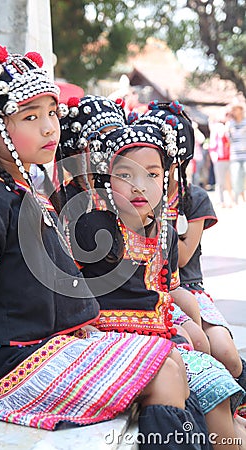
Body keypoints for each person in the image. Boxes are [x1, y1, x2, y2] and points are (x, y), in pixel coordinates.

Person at [0, 45, 208, 448]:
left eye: (52, 113)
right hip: (15, 363)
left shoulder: (31, 194)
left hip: (49, 348)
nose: (50, 127)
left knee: (172, 357)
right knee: (164, 370)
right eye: (31, 117)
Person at [66, 115, 245, 448]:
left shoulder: (163, 232)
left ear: (166, 178)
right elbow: (70, 291)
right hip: (115, 339)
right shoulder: (90, 226)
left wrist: (185, 326)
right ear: (105, 178)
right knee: (208, 394)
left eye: (152, 174)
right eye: (125, 175)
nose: (139, 186)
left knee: (218, 389)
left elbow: (166, 291)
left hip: (161, 335)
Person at [141, 101, 246, 410]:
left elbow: (183, 257)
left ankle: (234, 407)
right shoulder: (133, 195)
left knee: (226, 353)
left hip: (188, 286)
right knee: (198, 345)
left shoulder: (193, 198)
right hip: (154, 289)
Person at [209, 110, 233, 207]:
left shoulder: (228, 127)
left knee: (229, 181)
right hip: (219, 158)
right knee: (220, 181)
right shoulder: (218, 128)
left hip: (229, 157)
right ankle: (221, 200)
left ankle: (230, 200)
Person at [227, 103, 246, 205]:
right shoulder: (230, 124)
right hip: (234, 155)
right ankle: (237, 199)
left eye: (236, 109)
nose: (234, 111)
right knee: (236, 176)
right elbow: (229, 140)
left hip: (245, 154)